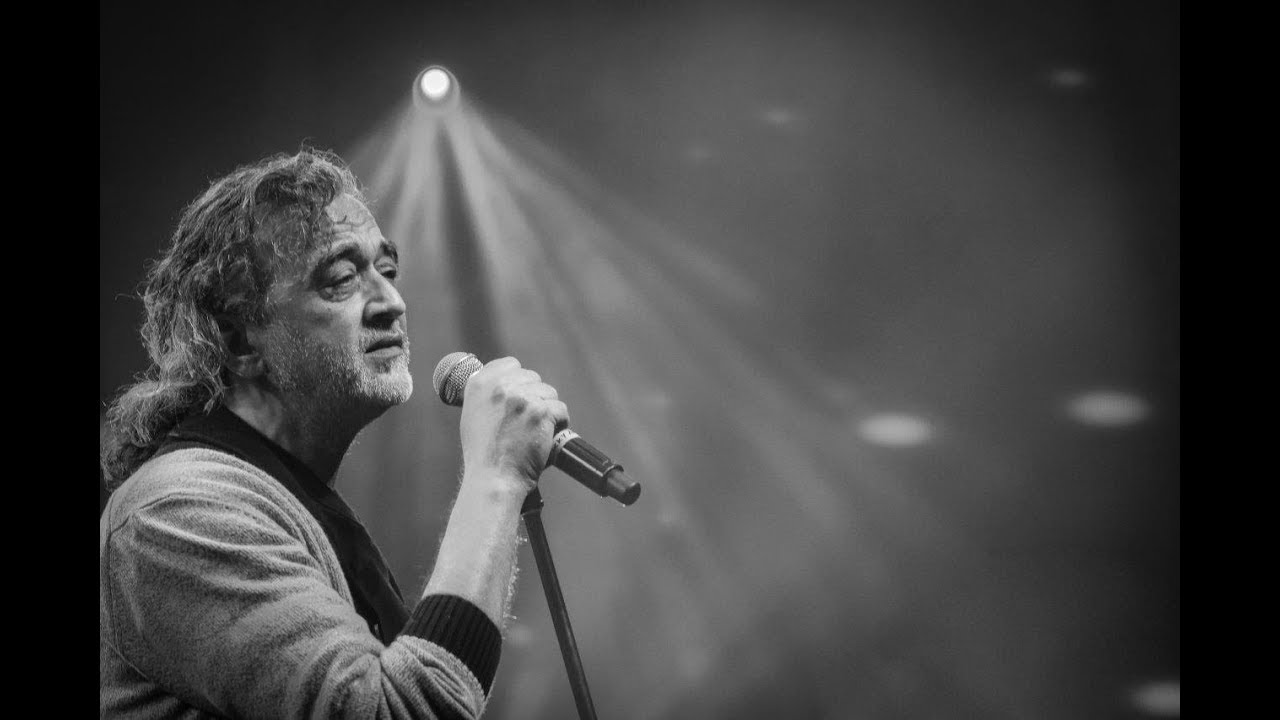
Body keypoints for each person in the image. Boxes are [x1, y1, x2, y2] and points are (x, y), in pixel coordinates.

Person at [100, 148, 568, 719]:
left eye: (387, 271)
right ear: (240, 340)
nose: (392, 303)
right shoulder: (177, 513)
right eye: (343, 279)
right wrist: (495, 477)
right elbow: (396, 711)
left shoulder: (282, 497)